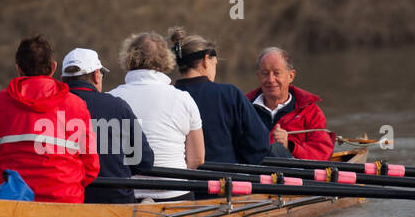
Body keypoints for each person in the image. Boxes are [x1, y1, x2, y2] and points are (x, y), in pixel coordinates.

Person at [0, 35, 100, 202]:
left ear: (18, 69)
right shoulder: (77, 106)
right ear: (54, 68)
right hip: (63, 201)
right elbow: (91, 168)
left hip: (7, 202)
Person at [109, 32, 203, 200]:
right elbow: (196, 159)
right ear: (166, 59)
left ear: (129, 59)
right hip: (175, 193)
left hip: (126, 196)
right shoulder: (183, 99)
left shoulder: (111, 98)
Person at [61, 48, 155, 204]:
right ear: (97, 76)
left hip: (69, 202)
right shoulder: (118, 106)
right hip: (116, 201)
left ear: (63, 79)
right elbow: (144, 162)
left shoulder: (50, 108)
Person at [170, 27, 268, 166]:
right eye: (214, 64)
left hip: (180, 181)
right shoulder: (229, 94)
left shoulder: (167, 97)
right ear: (206, 60)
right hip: (224, 182)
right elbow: (259, 143)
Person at [246, 47, 336, 161]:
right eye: (265, 73)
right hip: (251, 173)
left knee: (276, 149)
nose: (271, 79)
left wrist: (289, 146)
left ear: (291, 76)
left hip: (293, 175)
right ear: (258, 76)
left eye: (277, 73)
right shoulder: (242, 108)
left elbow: (322, 154)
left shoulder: (311, 112)